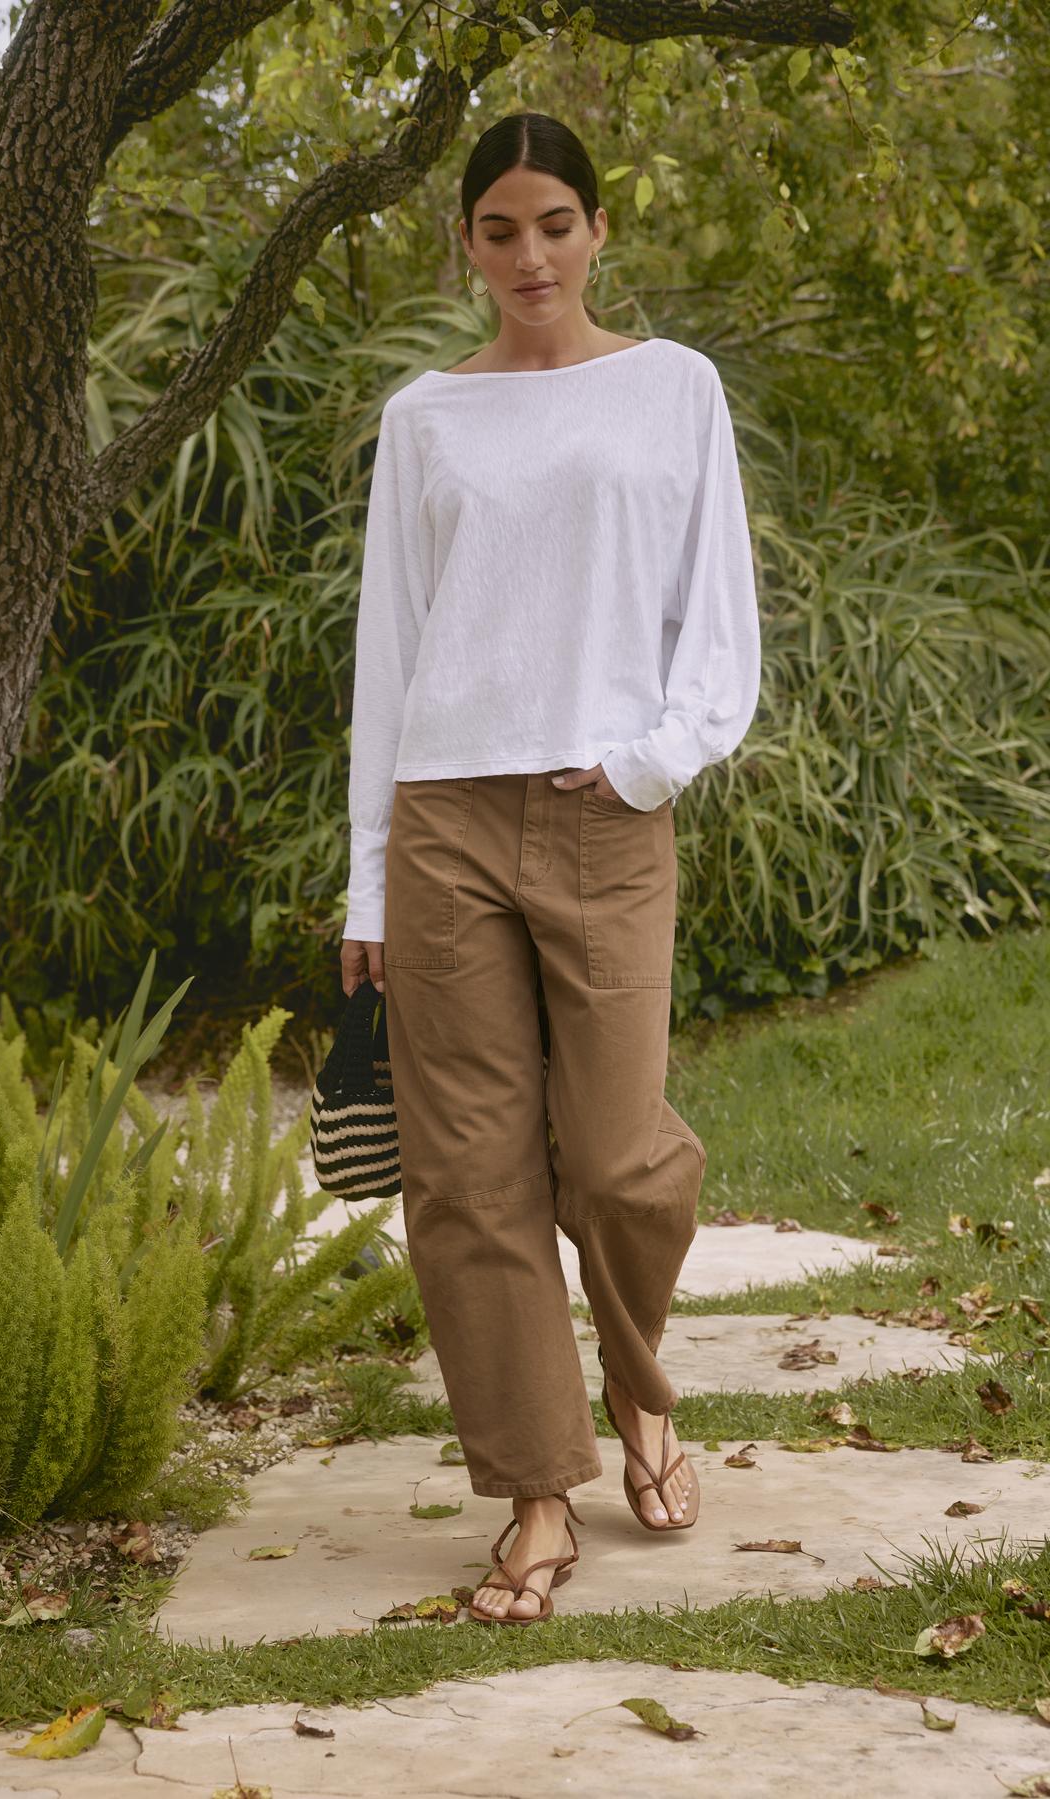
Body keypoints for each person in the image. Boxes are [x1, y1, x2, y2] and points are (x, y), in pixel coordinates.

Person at [339, 111, 761, 1624]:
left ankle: (641, 1385)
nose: (531, 255)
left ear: (599, 232)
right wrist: (367, 883)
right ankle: (534, 1492)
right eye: (501, 229)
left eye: (557, 224)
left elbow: (714, 621)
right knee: (468, 1176)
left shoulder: (673, 392)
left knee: (622, 1150)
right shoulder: (424, 420)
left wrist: (652, 760)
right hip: (445, 811)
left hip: (603, 807)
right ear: (466, 243)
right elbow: (389, 653)